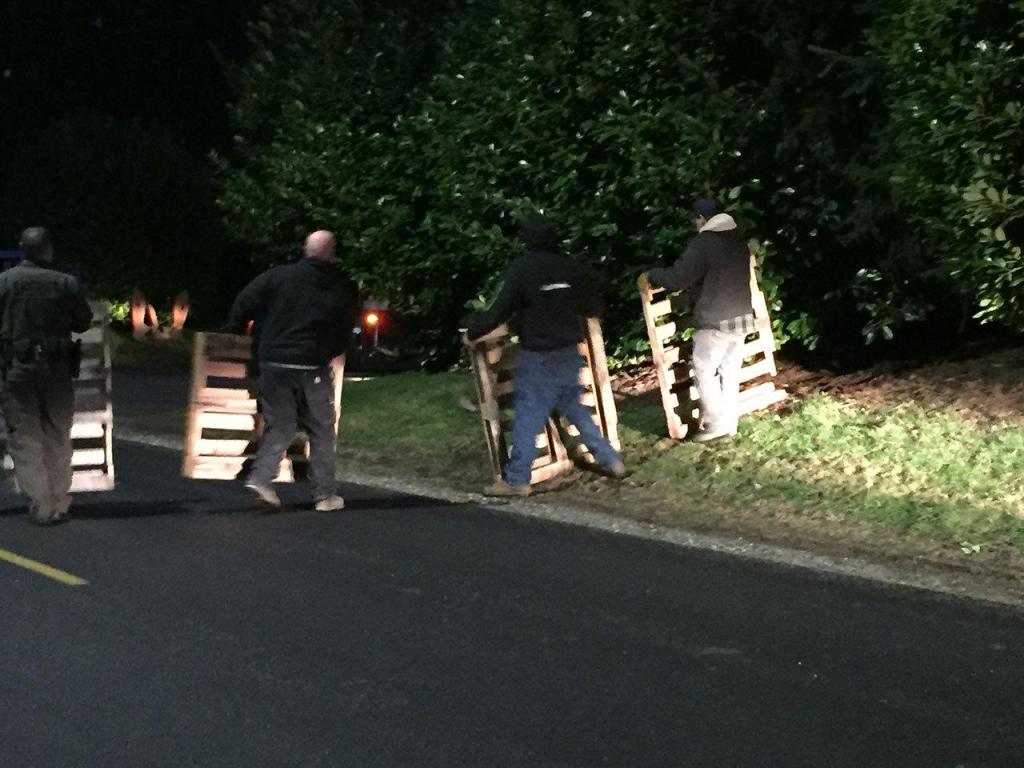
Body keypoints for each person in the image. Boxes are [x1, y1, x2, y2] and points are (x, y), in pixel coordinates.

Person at [464, 213, 626, 497]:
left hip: (539, 355)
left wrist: (474, 331)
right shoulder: (570, 267)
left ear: (527, 241)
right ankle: (611, 460)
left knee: (528, 415)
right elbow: (593, 308)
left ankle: (516, 480)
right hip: (568, 352)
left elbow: (499, 310)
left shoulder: (522, 269)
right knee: (575, 408)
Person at [225, 230, 358, 511]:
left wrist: (236, 329)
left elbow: (244, 302)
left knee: (281, 425)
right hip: (312, 366)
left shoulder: (277, 277)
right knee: (321, 429)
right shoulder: (339, 287)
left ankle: (261, 479)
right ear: (332, 252)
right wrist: (328, 352)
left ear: (305, 249)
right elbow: (344, 329)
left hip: (274, 363)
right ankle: (324, 496)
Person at [0, 227, 93, 525]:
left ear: (22, 249)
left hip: (18, 368)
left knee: (26, 435)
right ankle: (59, 501)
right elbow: (82, 322)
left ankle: (41, 503)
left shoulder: (4, 282)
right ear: (48, 249)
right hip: (57, 368)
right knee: (57, 432)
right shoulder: (66, 283)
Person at [646, 199, 755, 443]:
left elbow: (677, 278)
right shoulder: (738, 241)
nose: (694, 225)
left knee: (705, 370)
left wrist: (652, 274)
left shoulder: (704, 243)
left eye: (695, 220)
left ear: (702, 218)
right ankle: (730, 423)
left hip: (715, 319)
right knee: (729, 371)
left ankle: (716, 425)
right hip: (741, 316)